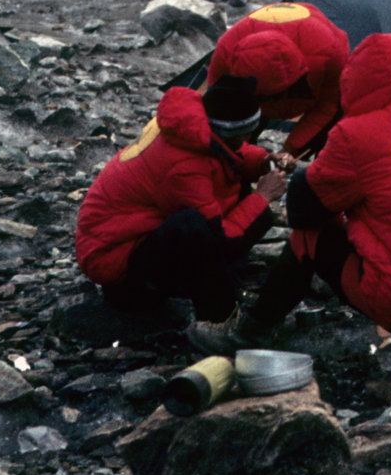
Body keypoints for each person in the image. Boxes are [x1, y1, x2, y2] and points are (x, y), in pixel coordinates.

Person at [191, 32, 391, 353]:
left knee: (309, 238)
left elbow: (304, 211)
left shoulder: (355, 134)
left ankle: (251, 332)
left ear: (355, 81)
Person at [75, 75, 288, 326]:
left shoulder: (190, 128)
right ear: (231, 132)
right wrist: (262, 197)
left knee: (239, 196)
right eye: (244, 135)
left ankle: (208, 282)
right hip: (118, 265)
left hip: (139, 235)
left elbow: (229, 153)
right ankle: (223, 321)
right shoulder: (184, 166)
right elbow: (219, 237)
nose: (246, 140)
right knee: (193, 225)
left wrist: (263, 162)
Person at [206, 0, 351, 159]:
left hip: (317, 44)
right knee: (230, 146)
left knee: (329, 135)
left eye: (274, 96)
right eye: (262, 98)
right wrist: (250, 157)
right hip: (251, 77)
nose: (271, 103)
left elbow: (327, 106)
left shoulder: (331, 54)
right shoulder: (226, 53)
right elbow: (218, 116)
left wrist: (290, 150)